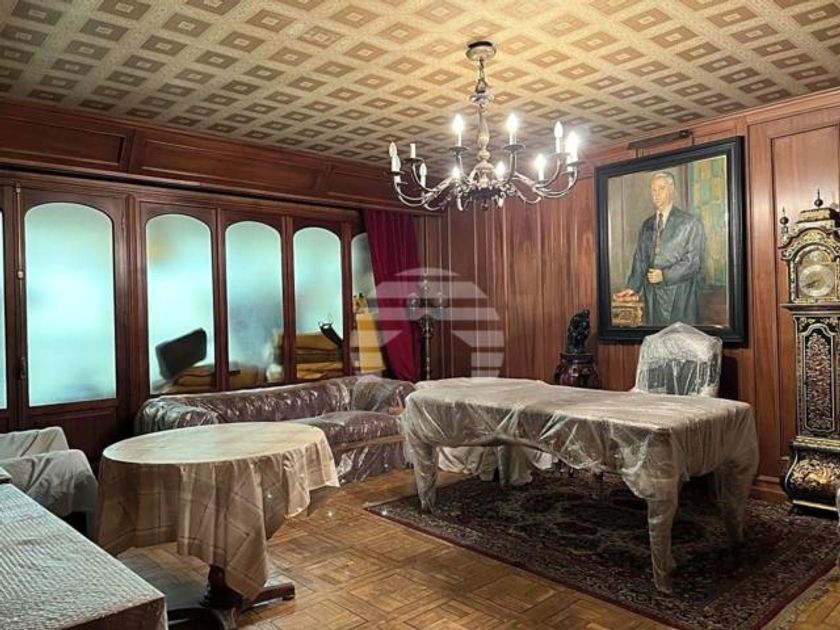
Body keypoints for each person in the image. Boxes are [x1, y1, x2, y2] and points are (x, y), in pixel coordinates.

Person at [614, 171, 706, 325]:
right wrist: (632, 287)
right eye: (653, 190)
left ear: (672, 191)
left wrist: (665, 275)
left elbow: (693, 263)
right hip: (653, 299)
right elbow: (640, 259)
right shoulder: (647, 225)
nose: (656, 194)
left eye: (661, 189)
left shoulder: (690, 223)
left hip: (680, 299)